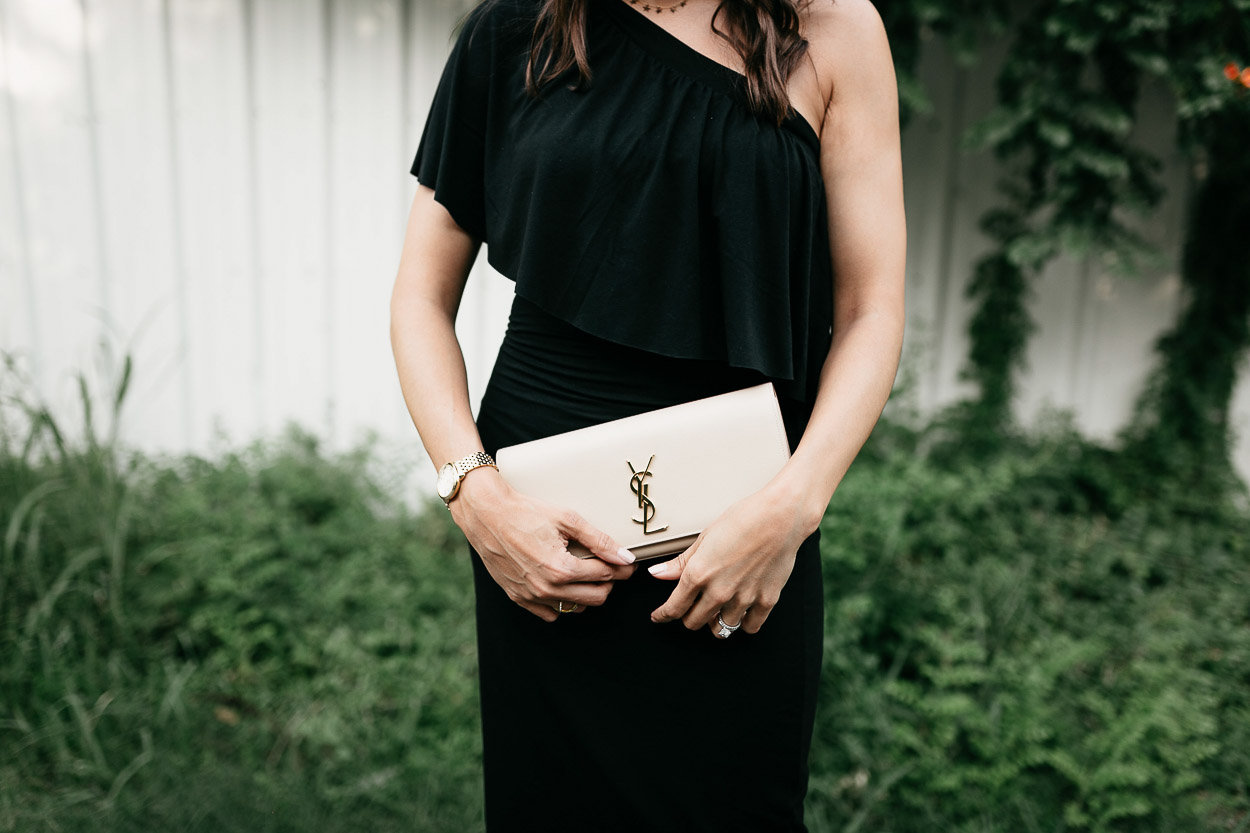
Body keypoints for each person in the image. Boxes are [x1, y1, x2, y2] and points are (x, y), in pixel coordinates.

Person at [389, 0, 904, 828]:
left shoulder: (836, 26)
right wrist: (475, 497)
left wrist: (795, 504)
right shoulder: (515, 28)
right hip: (546, 537)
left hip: (751, 529)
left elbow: (873, 308)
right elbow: (419, 296)